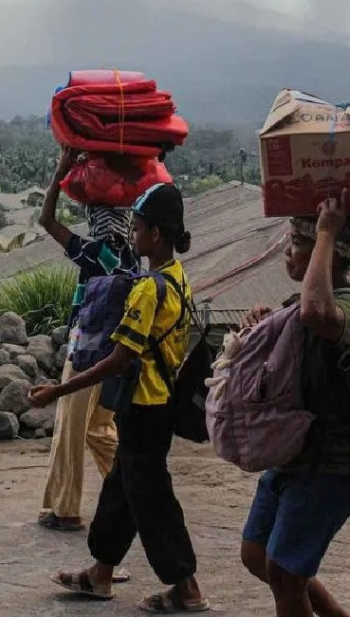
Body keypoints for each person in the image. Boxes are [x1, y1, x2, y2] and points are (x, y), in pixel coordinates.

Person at [31, 182, 209, 614]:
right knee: (121, 491)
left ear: (158, 236)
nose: (134, 234)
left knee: (151, 500)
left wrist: (59, 389)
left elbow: (117, 360)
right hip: (156, 403)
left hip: (145, 405)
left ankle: (187, 588)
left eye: (141, 228)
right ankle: (100, 574)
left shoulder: (148, 290)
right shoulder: (178, 279)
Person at [241, 191, 350, 617]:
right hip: (293, 456)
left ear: (336, 254)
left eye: (298, 242)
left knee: (285, 573)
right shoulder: (300, 306)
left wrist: (325, 231)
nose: (288, 250)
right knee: (257, 554)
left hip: (331, 463)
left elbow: (318, 314)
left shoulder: (339, 305)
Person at [37, 147, 139, 533]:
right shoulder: (132, 255)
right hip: (117, 353)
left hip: (86, 351)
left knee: (70, 426)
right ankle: (134, 492)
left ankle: (65, 509)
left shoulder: (94, 252)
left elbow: (46, 219)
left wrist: (61, 168)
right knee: (99, 428)